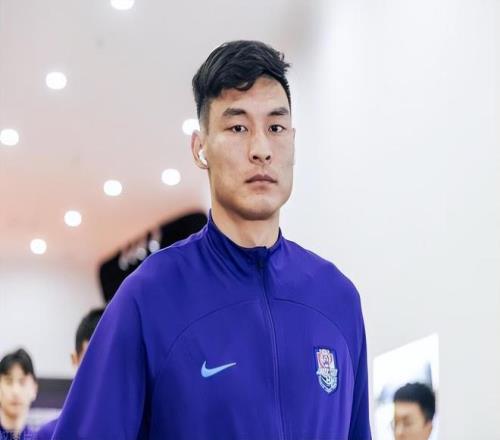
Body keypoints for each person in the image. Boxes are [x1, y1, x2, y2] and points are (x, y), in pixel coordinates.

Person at [53, 40, 371, 439]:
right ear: (199, 147)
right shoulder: (149, 298)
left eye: (275, 127)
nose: (261, 149)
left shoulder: (337, 299)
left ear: (293, 140)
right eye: (238, 127)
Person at [35, 309, 104, 440]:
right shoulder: (50, 435)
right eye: (92, 360)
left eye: (109, 361)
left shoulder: (137, 432)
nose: (102, 372)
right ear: (75, 359)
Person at [0, 349, 38, 440]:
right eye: (8, 381)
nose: (15, 391)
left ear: (34, 388)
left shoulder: (40, 437)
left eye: (22, 382)